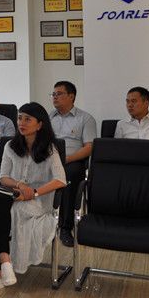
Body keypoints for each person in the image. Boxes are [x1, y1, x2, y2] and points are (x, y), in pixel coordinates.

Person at [0, 102, 66, 294]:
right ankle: (5, 263)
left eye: (27, 119)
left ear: (39, 125)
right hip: (14, 194)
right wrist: (20, 186)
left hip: (38, 200)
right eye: (19, 118)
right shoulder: (10, 145)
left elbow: (60, 180)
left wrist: (33, 192)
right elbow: (3, 177)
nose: (21, 123)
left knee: (0, 209)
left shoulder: (50, 149)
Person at [49, 81, 96, 247]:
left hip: (72, 161)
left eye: (59, 94)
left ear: (71, 96)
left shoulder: (85, 118)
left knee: (69, 176)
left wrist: (68, 159)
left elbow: (89, 147)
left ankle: (65, 227)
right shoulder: (48, 118)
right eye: (53, 94)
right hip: (49, 160)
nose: (55, 97)